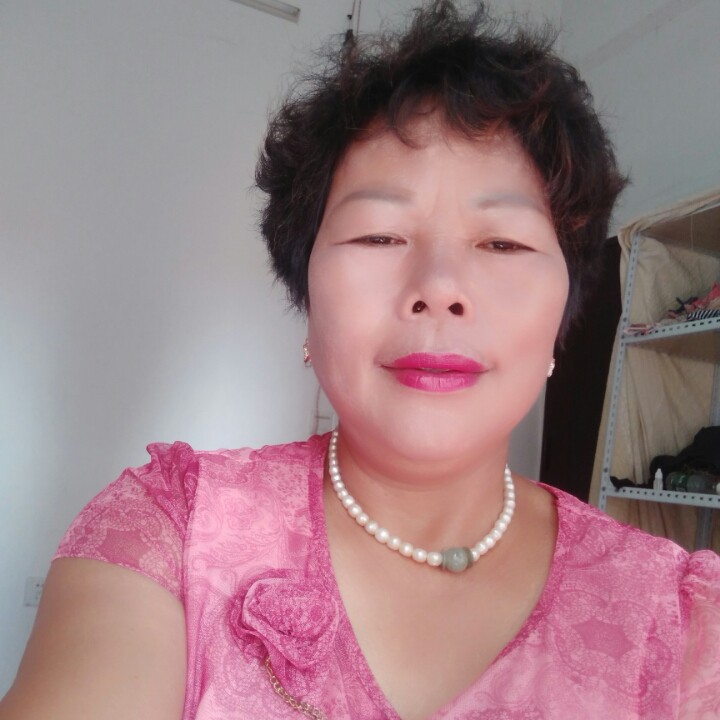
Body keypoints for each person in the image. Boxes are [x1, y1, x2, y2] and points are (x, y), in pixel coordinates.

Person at [2, 2, 718, 719]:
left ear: (562, 316)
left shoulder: (680, 623)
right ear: (306, 293)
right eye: (379, 236)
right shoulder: (170, 529)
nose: (440, 287)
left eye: (503, 243)